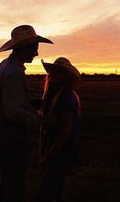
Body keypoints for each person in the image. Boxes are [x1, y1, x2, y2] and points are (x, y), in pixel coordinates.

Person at [0, 25, 53, 202]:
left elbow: (8, 102)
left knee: (8, 182)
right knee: (14, 187)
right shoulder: (14, 72)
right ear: (23, 48)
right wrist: (42, 121)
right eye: (34, 48)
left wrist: (30, 104)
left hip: (0, 133)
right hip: (10, 136)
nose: (36, 53)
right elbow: (13, 113)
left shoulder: (5, 67)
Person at [35, 57, 81, 202]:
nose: (54, 75)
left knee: (46, 191)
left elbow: (66, 131)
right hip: (55, 146)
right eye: (53, 71)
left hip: (63, 149)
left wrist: (49, 154)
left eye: (59, 72)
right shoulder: (53, 95)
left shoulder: (66, 97)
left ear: (66, 77)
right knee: (54, 189)